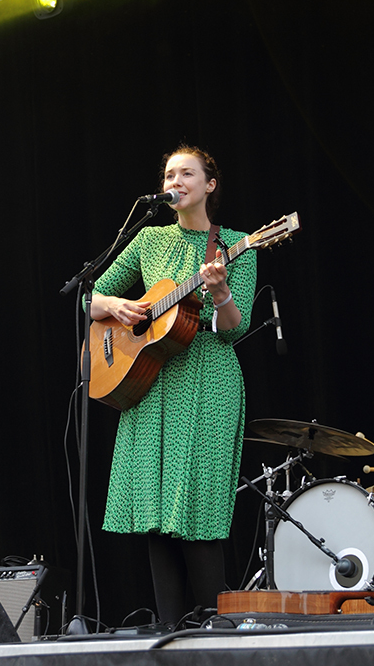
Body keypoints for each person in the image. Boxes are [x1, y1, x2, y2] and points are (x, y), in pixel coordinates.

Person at [90, 144, 255, 626]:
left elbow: (235, 328)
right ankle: (167, 631)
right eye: (169, 175)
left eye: (186, 173)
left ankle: (215, 630)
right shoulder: (148, 240)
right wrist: (115, 306)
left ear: (210, 185)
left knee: (198, 509)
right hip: (150, 381)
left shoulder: (238, 244)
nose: (175, 182)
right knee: (155, 514)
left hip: (208, 379)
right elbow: (90, 298)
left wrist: (220, 293)